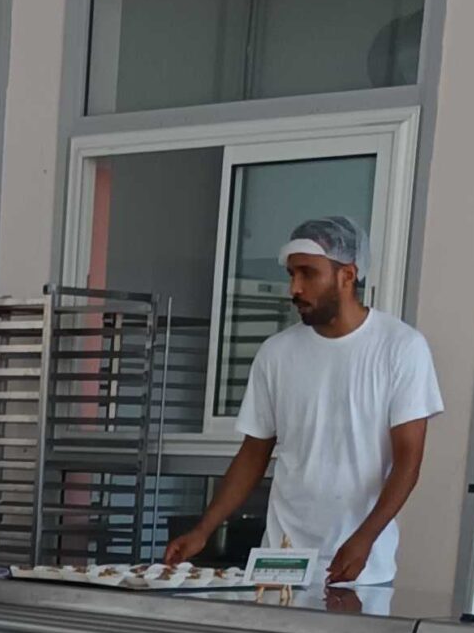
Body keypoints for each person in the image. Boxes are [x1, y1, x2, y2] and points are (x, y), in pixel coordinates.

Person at [166, 215, 441, 590]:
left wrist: (365, 537)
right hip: (280, 561)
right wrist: (204, 529)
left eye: (308, 274)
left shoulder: (401, 348)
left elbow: (408, 460)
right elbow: (253, 454)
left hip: (360, 568)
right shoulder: (277, 353)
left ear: (347, 275)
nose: (294, 288)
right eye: (291, 274)